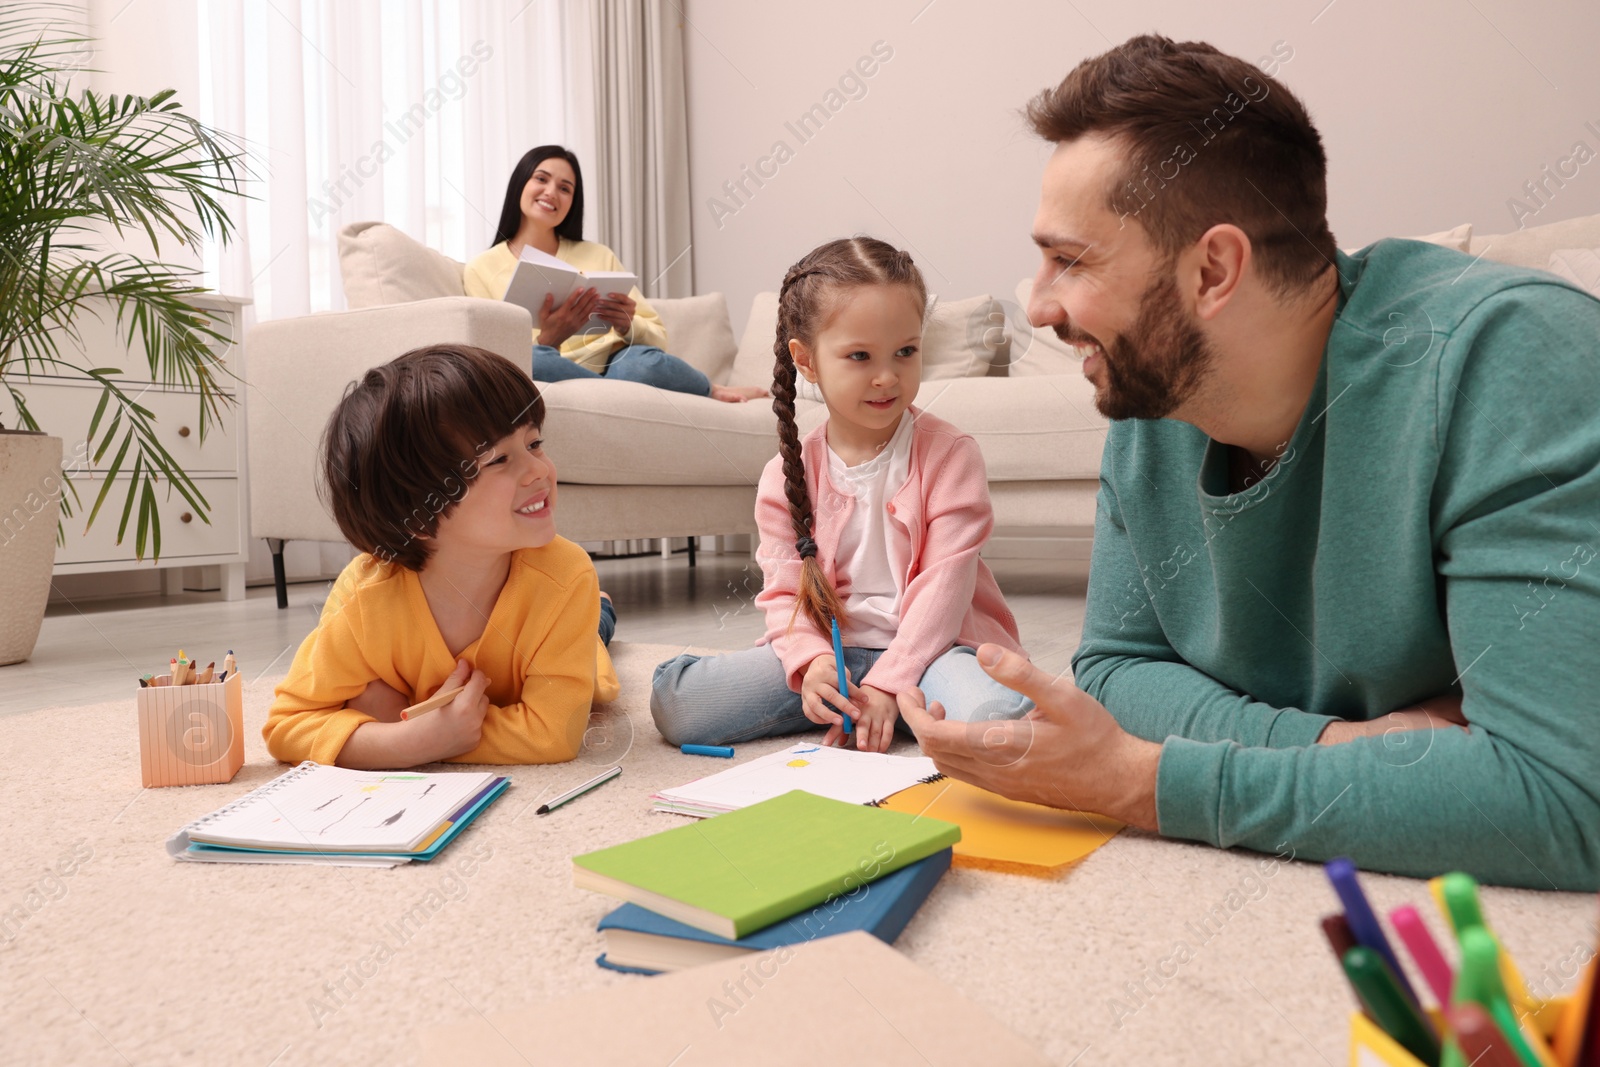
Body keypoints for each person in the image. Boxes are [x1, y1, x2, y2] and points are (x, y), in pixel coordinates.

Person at [898, 35, 1600, 891]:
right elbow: (1118, 670)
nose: (1038, 305)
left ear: (1214, 269)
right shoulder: (1159, 397)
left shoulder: (1512, 359)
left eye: (1071, 260)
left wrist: (1140, 781)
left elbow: (1560, 800)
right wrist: (1336, 749)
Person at [651, 237, 1034, 753]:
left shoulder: (952, 455)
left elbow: (945, 591)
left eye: (906, 351)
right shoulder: (784, 475)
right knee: (676, 705)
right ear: (806, 361)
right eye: (859, 356)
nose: (887, 376)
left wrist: (890, 681)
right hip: (834, 657)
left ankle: (888, 705)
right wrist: (810, 664)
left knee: (1000, 720)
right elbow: (786, 594)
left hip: (934, 652)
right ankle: (870, 709)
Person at [264, 344, 621, 769]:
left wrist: (411, 734)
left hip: (575, 620)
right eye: (500, 459)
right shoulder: (364, 600)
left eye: (535, 443)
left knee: (596, 631)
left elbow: (553, 734)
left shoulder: (565, 577)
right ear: (416, 513)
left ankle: (602, 607)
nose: (539, 470)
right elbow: (287, 725)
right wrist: (408, 740)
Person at [463, 145, 765, 404]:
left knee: (640, 366)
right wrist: (549, 340)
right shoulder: (481, 268)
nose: (551, 192)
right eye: (541, 179)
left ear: (572, 202)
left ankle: (708, 388)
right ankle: (613, 396)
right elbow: (493, 358)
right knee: (531, 363)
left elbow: (657, 338)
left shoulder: (598, 255)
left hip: (617, 364)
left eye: (565, 188)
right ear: (520, 184)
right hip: (550, 366)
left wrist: (626, 325)